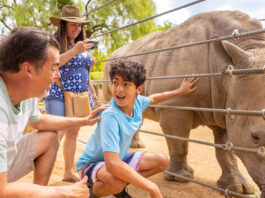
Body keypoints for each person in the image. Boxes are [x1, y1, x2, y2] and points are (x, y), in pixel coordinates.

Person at [0, 26, 107, 198]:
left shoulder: (23, 91)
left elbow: (40, 122)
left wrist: (83, 121)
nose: (57, 75)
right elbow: (1, 190)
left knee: (50, 137)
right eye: (54, 68)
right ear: (28, 69)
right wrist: (62, 192)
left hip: (7, 161)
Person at [77, 59, 199, 198]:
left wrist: (179, 91)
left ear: (138, 89)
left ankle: (117, 184)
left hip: (116, 160)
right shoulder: (110, 115)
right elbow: (111, 164)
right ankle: (92, 192)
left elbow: (154, 98)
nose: (119, 89)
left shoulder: (138, 102)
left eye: (126, 84)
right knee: (116, 182)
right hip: (91, 165)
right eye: (115, 82)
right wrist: (152, 187)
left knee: (162, 161)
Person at [43, 5, 98, 183]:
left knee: (73, 133)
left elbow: (85, 69)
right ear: (64, 24)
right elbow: (53, 63)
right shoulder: (54, 42)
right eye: (73, 25)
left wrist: (92, 91)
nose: (77, 29)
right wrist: (76, 51)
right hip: (58, 91)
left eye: (80, 25)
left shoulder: (82, 43)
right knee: (56, 134)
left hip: (80, 94)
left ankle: (67, 172)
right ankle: (42, 175)